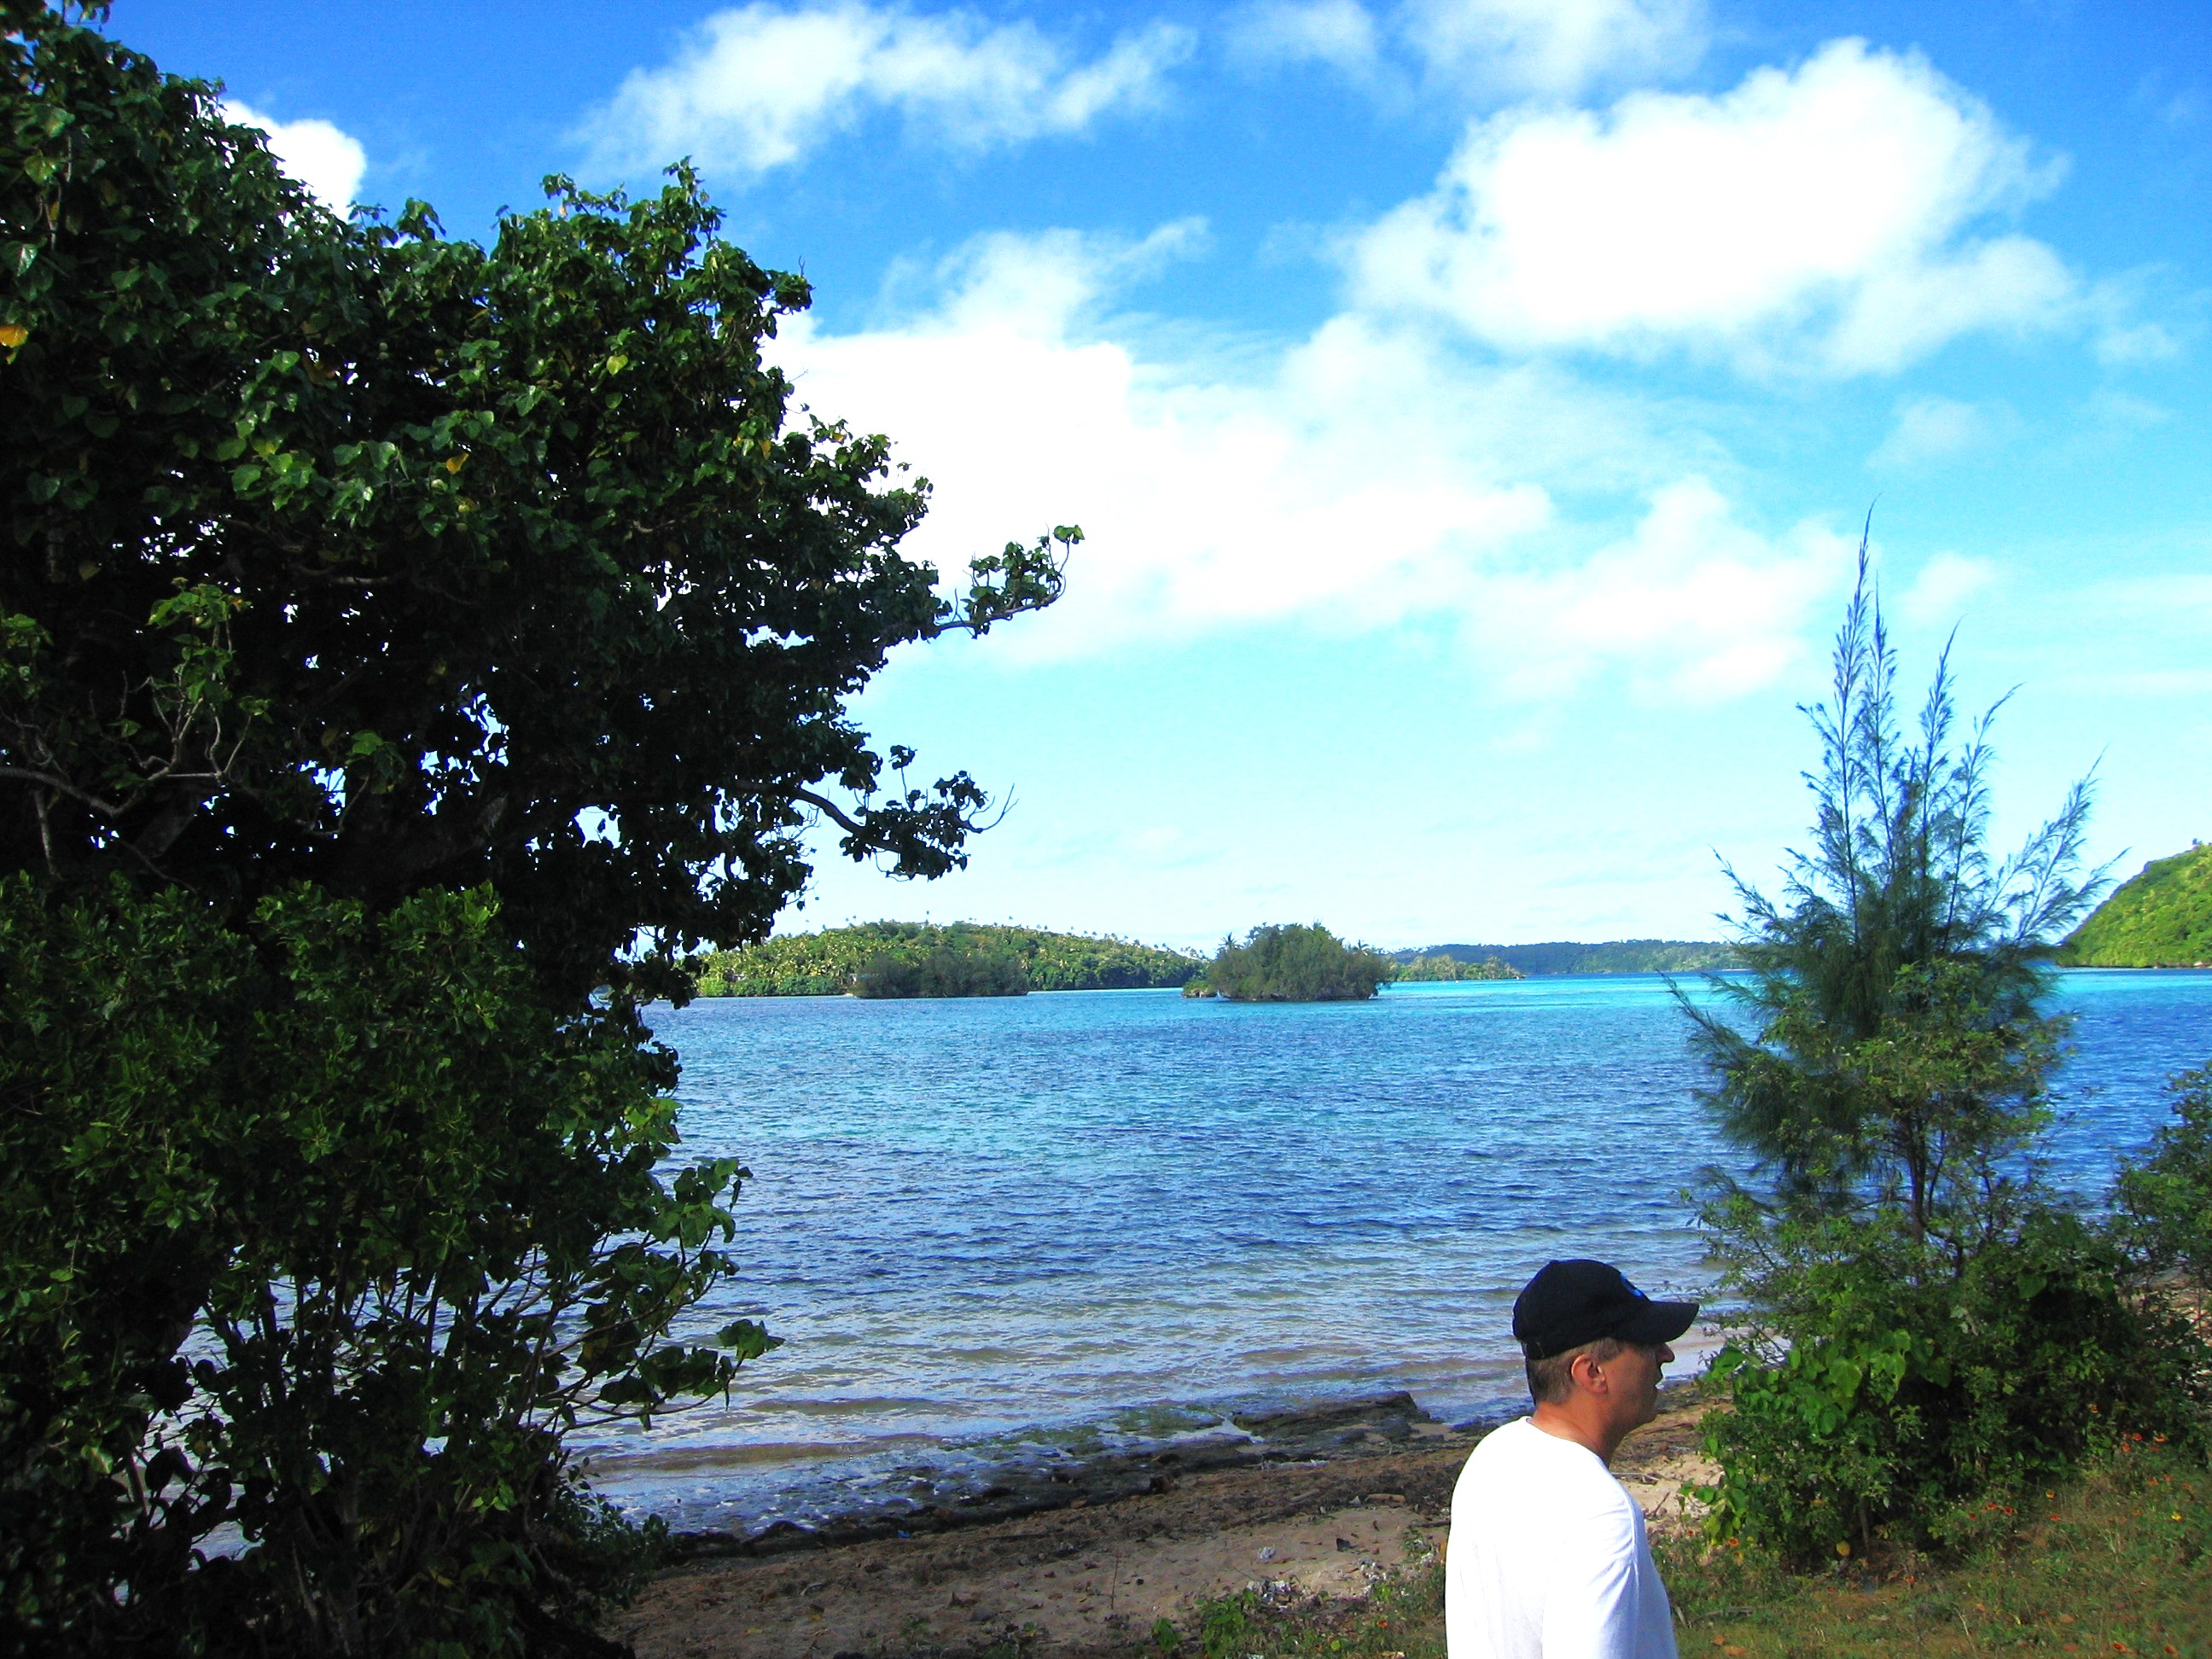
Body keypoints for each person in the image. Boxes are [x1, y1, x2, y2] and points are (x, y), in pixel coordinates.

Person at [1445, 1260, 1698, 1659]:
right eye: (1646, 1342)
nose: (1665, 1354)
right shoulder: (1601, 1513)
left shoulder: (1491, 1457)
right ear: (1592, 1372)